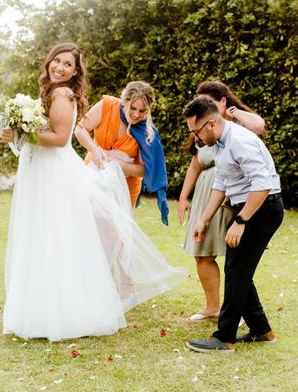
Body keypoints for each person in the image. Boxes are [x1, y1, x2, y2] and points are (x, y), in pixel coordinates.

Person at [0, 43, 187, 342]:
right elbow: (73, 133)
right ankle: (47, 306)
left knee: (74, 235)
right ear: (48, 61)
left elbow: (60, 139)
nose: (60, 67)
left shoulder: (62, 94)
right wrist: (17, 134)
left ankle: (94, 299)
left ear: (75, 72)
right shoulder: (63, 95)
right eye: (57, 60)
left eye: (68, 64)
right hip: (50, 170)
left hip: (65, 174)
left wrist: (23, 133)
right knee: (55, 235)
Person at [182, 96, 283, 353]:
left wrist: (241, 221)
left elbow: (262, 185)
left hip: (262, 208)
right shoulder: (219, 142)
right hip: (248, 207)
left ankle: (224, 338)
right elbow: (222, 184)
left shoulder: (240, 141)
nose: (196, 139)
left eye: (197, 132)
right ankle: (262, 330)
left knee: (237, 270)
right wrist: (203, 220)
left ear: (212, 124)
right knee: (239, 268)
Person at [178, 81, 265, 323]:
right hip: (208, 194)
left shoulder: (234, 129)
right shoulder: (202, 132)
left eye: (209, 101)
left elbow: (260, 126)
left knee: (236, 260)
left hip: (231, 196)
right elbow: (195, 165)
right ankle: (213, 306)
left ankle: (236, 311)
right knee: (202, 251)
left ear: (223, 101)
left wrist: (232, 113)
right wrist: (184, 196)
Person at [76, 81, 169, 225]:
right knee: (87, 225)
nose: (137, 114)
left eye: (142, 111)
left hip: (124, 186)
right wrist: (92, 148)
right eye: (133, 108)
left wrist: (117, 164)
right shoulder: (107, 106)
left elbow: (144, 170)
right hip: (93, 174)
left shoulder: (147, 131)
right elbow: (80, 129)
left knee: (115, 234)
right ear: (124, 101)